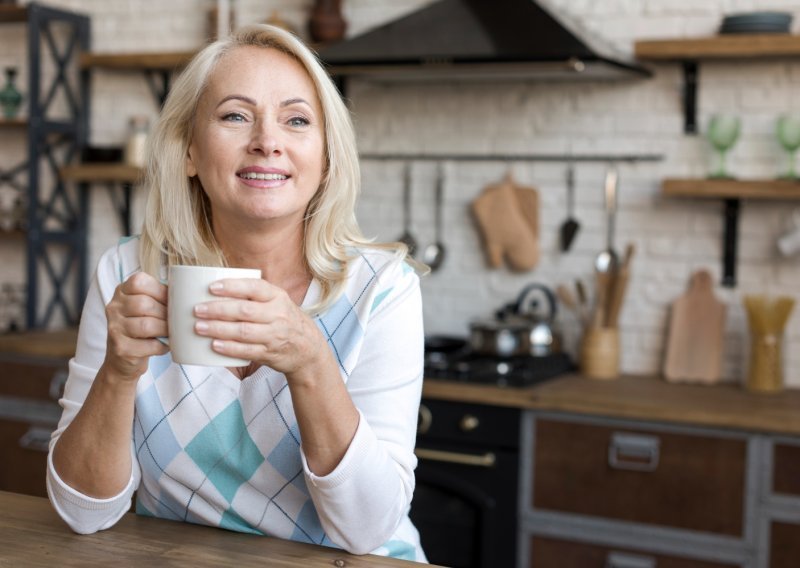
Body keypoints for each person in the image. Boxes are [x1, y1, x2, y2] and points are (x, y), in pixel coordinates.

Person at [46, 24, 427, 562]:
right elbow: (83, 514)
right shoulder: (131, 272)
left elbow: (366, 531)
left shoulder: (381, 289)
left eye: (296, 120)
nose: (267, 141)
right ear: (189, 153)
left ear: (326, 159)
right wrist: (118, 372)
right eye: (234, 116)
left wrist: (312, 360)